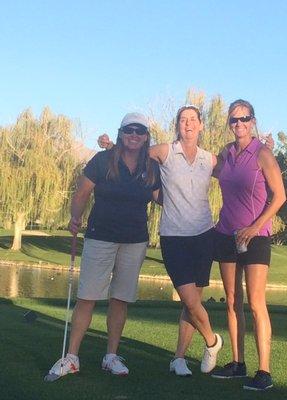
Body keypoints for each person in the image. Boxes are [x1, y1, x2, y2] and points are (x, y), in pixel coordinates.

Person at [98, 105, 223, 377]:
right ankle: (213, 341)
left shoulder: (209, 159)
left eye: (193, 120)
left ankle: (179, 358)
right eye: (183, 120)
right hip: (173, 235)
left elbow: (237, 170)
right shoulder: (165, 151)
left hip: (203, 234)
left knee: (193, 302)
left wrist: (263, 148)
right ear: (177, 125)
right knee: (190, 299)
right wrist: (111, 147)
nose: (188, 124)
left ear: (201, 125)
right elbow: (136, 152)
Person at [46, 112, 161, 378]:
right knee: (87, 296)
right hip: (100, 236)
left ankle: (111, 356)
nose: (134, 135)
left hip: (135, 240)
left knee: (120, 299)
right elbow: (82, 192)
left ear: (146, 136)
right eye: (129, 130)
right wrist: (75, 216)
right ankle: (72, 357)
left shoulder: (151, 167)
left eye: (140, 131)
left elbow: (161, 197)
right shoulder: (103, 160)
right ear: (121, 133)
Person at [211, 99, 286, 391]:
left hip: (256, 237)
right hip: (226, 233)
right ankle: (238, 363)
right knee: (231, 300)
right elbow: (199, 165)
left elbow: (279, 196)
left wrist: (255, 227)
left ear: (253, 120)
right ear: (229, 124)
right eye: (233, 120)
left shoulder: (263, 153)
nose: (239, 123)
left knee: (256, 302)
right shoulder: (226, 154)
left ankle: (264, 371)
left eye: (244, 118)